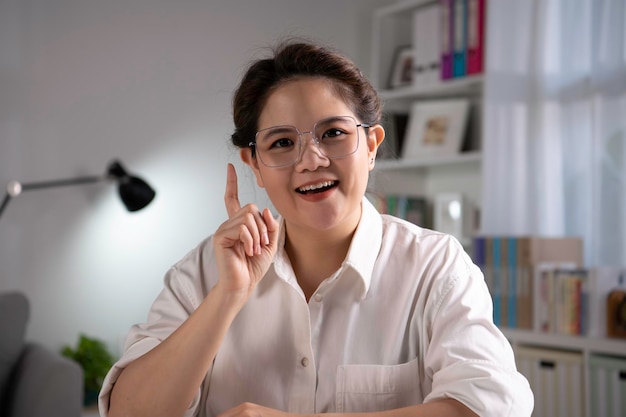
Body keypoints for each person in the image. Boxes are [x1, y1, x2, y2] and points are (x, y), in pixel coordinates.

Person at [100, 39, 534, 417]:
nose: (312, 160)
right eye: (283, 142)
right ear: (254, 163)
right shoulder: (202, 273)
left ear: (371, 145)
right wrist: (227, 296)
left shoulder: (434, 265)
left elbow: (491, 406)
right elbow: (129, 413)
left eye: (333, 133)